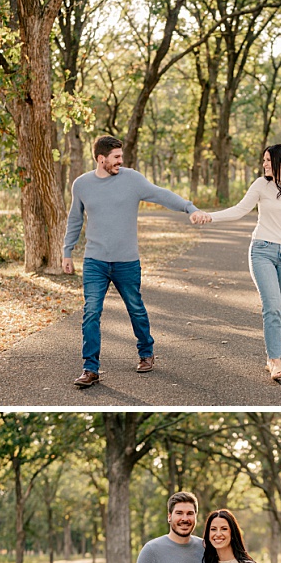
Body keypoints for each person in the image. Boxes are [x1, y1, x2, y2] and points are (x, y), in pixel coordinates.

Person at [63, 134, 211, 388]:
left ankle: (146, 353)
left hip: (126, 261)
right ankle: (90, 368)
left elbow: (160, 194)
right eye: (116, 157)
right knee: (91, 312)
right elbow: (75, 219)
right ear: (101, 159)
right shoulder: (82, 184)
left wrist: (190, 208)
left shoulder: (132, 179)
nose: (122, 160)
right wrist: (67, 251)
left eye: (122, 156)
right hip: (95, 261)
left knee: (136, 308)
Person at [192, 144, 281, 381]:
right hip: (262, 251)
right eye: (264, 160)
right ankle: (276, 361)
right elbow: (239, 210)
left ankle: (271, 357)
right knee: (272, 307)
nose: (264, 164)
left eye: (268, 160)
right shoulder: (260, 185)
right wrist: (210, 216)